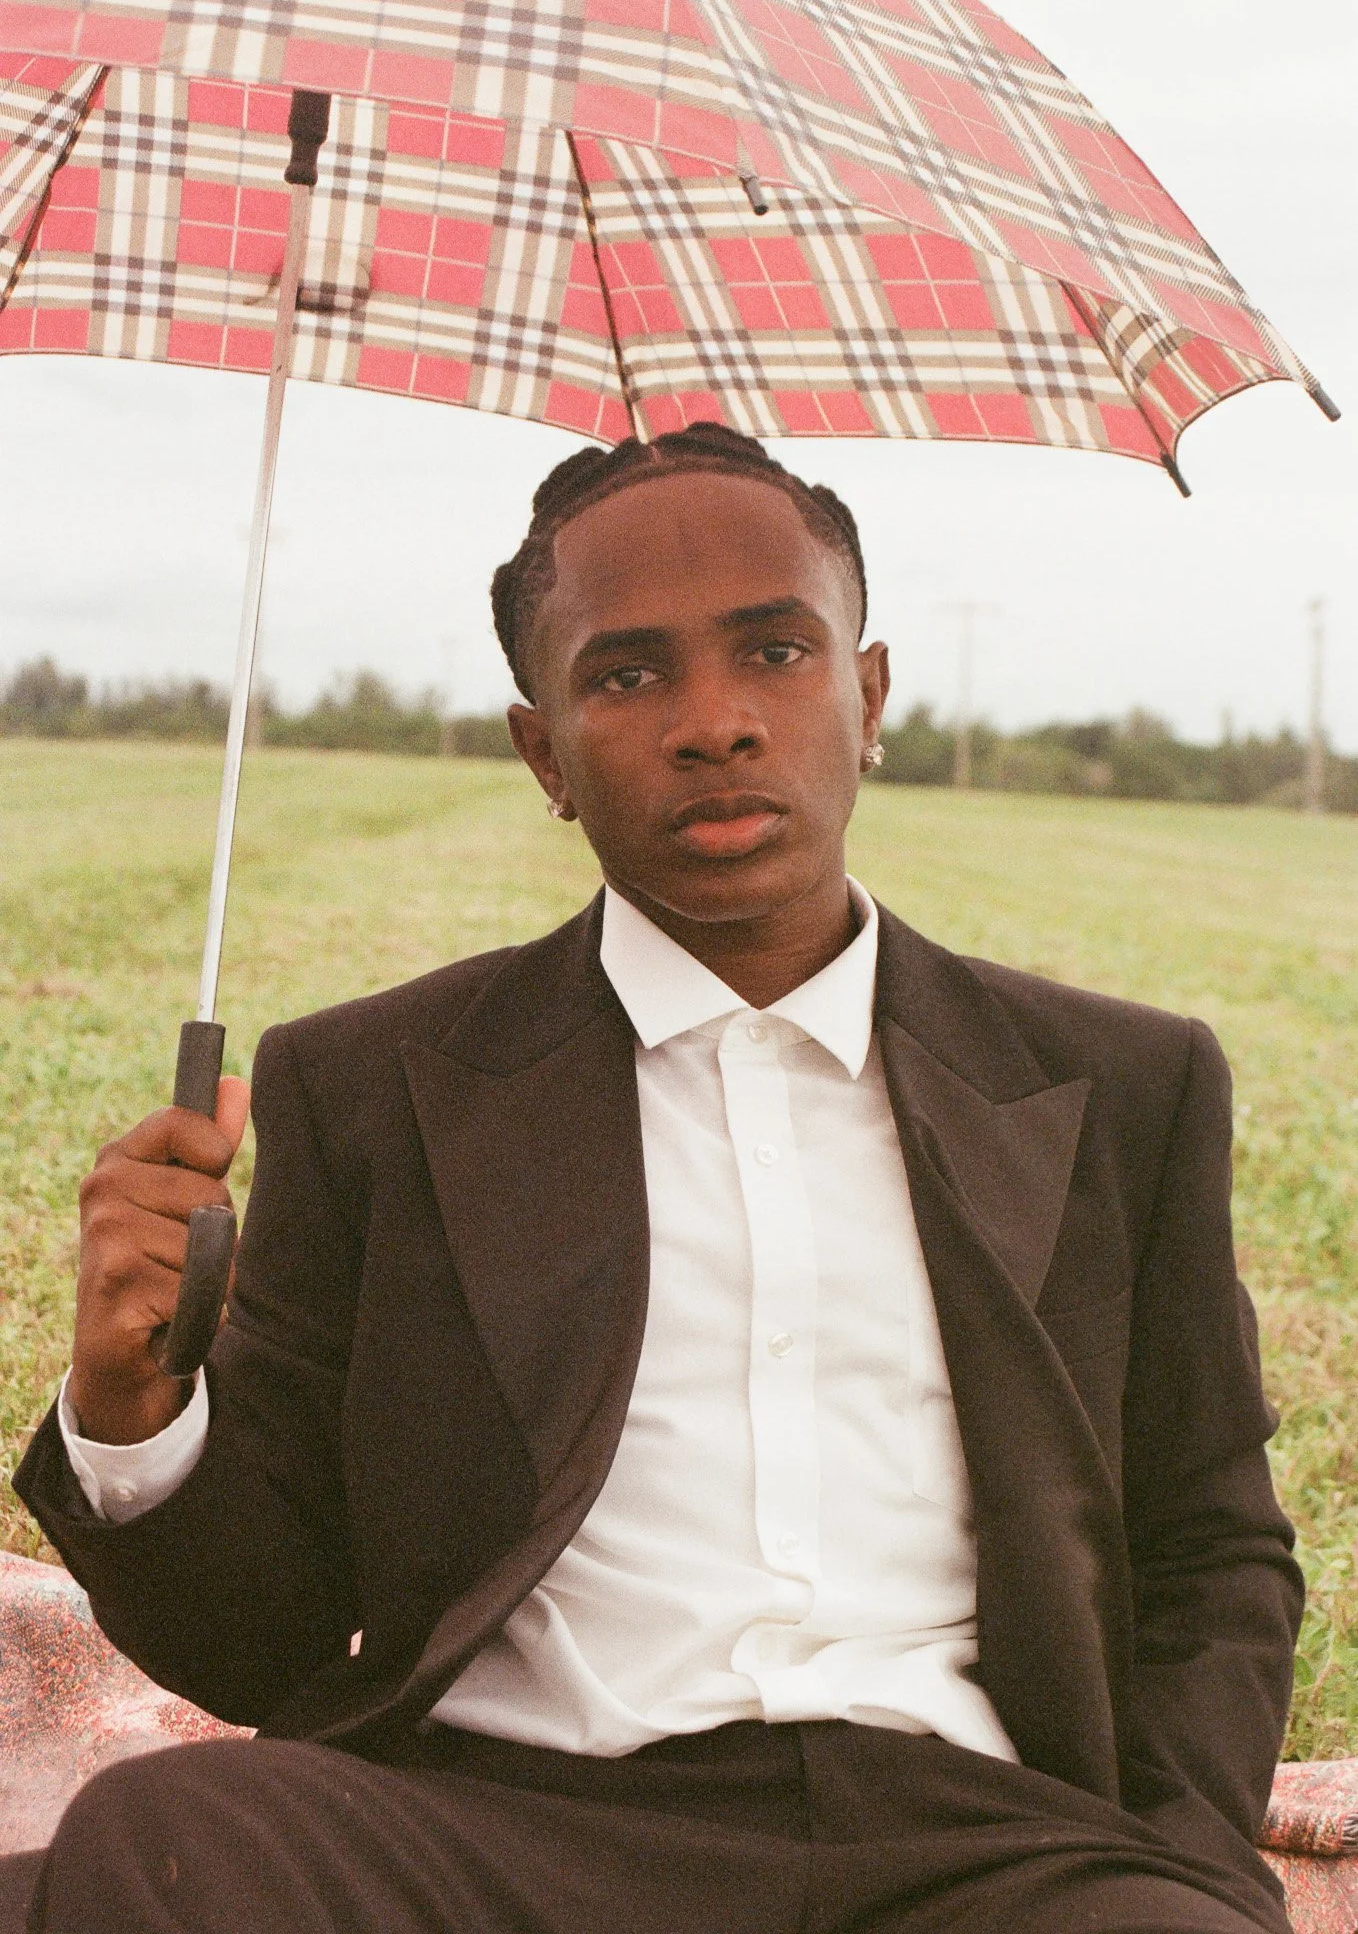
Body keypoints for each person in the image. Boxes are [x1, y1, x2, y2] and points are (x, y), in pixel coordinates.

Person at [10, 423, 1301, 1933]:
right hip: (504, 1828)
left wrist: (1188, 1864)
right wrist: (133, 1412)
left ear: (868, 694)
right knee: (168, 1834)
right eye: (625, 675)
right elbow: (265, 1639)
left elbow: (1212, 1546)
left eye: (773, 651)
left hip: (970, 1848)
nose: (714, 722)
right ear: (542, 751)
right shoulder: (378, 1089)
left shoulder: (1118, 1087)